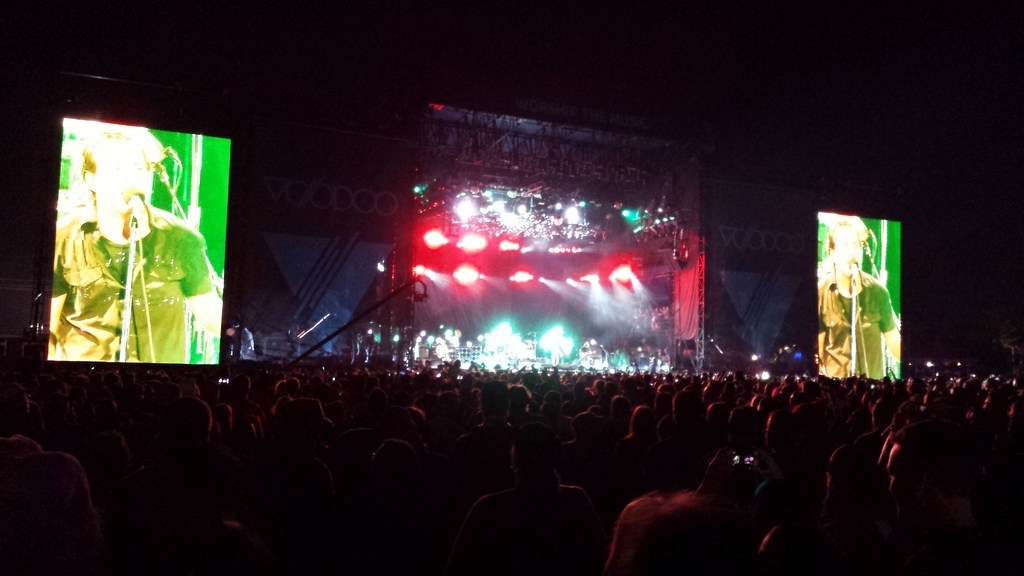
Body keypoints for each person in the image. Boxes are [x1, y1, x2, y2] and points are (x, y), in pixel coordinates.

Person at [50, 131, 222, 363]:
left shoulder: (181, 237)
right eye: (117, 169)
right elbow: (47, 328)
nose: (130, 178)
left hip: (161, 379)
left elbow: (210, 315)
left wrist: (242, 325)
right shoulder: (63, 237)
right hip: (86, 379)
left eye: (139, 169)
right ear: (91, 180)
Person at [818, 218, 900, 379]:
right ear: (832, 254)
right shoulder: (821, 292)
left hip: (872, 387)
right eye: (845, 246)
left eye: (856, 246)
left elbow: (894, 342)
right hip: (836, 388)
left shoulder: (878, 291)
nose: (851, 252)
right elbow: (818, 351)